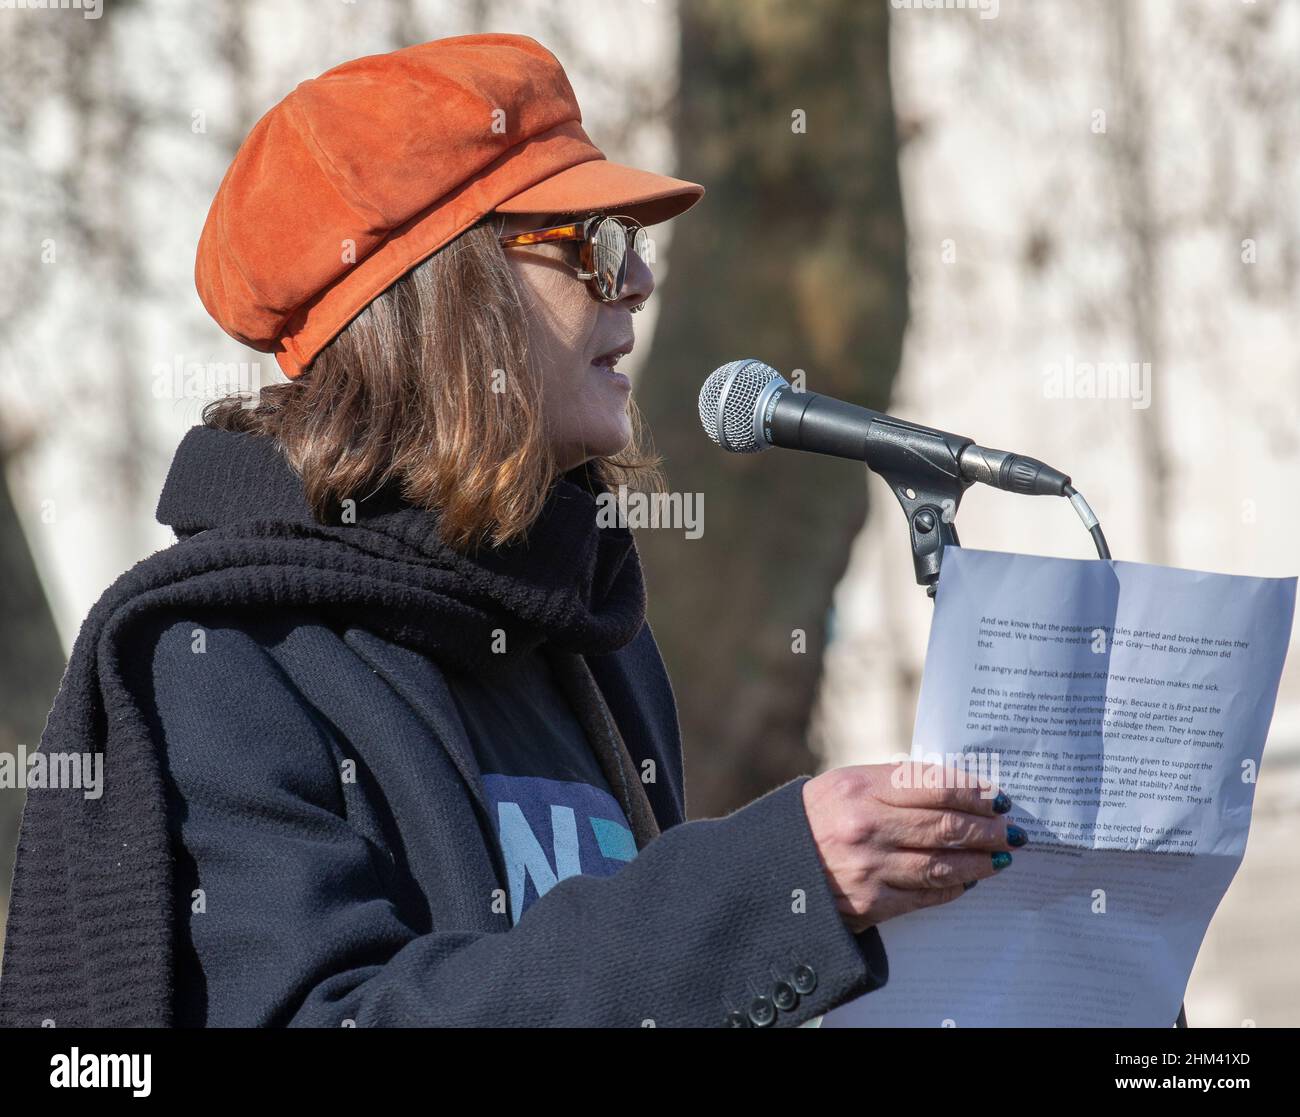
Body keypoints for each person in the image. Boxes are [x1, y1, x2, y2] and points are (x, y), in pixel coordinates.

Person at [0, 33, 1022, 1029]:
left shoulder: (586, 632)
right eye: (592, 244)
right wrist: (765, 890)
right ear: (440, 299)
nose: (638, 282)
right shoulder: (224, 656)